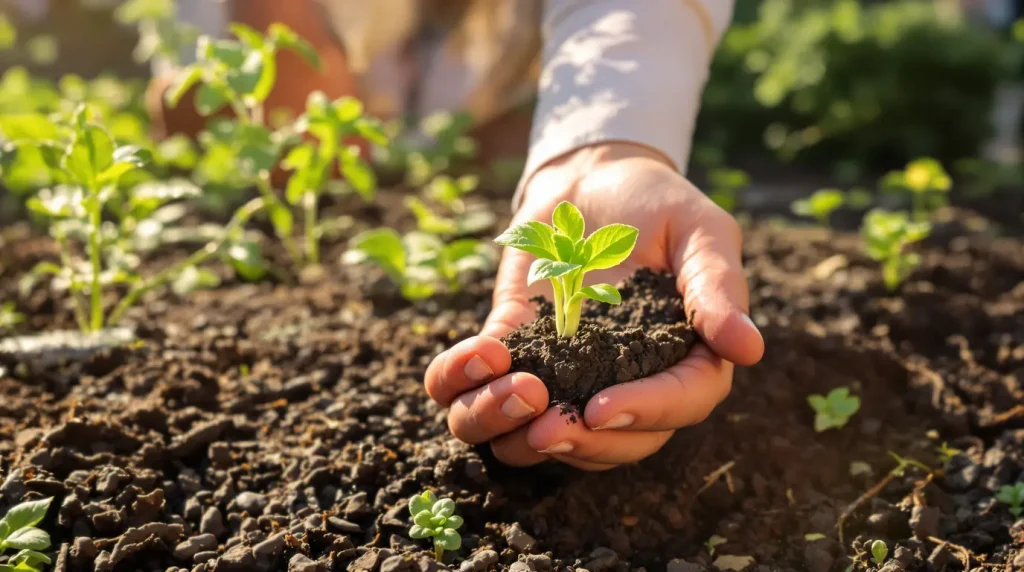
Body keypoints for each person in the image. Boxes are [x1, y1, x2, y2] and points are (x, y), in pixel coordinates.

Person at [153, 0, 766, 471]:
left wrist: (606, 147)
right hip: (319, 44)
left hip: (497, 57)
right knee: (227, 96)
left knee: (505, 124)